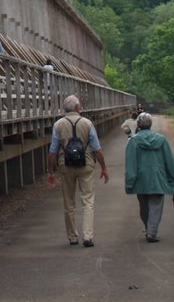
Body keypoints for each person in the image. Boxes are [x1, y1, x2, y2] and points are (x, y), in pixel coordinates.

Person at [47, 95, 110, 247]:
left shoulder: (58, 125)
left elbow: (53, 151)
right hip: (86, 164)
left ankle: (72, 236)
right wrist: (103, 167)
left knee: (68, 202)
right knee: (88, 201)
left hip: (65, 165)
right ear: (77, 108)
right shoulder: (87, 123)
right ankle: (87, 236)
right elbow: (97, 149)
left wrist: (51, 171)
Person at [124, 112, 174, 242]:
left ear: (138, 124)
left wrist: (130, 181)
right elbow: (169, 161)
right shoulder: (161, 140)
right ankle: (152, 232)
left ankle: (148, 228)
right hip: (157, 178)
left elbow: (131, 164)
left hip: (140, 180)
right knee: (156, 205)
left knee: (143, 205)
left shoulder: (133, 141)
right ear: (150, 124)